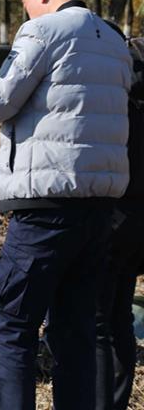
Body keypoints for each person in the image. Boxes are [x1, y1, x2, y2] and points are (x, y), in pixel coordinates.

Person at [0, 0, 132, 409]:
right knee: (75, 334)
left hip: (44, 209)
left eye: (26, 1)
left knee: (12, 326)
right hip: (98, 211)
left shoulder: (43, 30)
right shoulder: (114, 38)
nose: (26, 12)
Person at [95, 36, 144, 410]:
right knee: (121, 317)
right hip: (136, 221)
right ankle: (115, 401)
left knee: (99, 321)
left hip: (114, 215)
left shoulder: (120, 99)